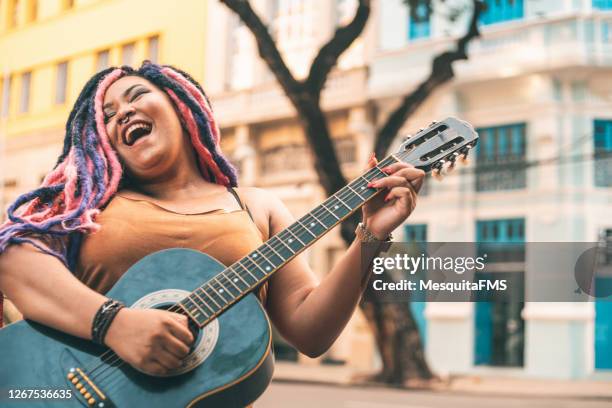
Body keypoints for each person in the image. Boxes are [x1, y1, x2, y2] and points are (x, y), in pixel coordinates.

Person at [0, 62, 424, 377]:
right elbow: (12, 258)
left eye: (135, 96)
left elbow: (311, 333)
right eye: (106, 116)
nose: (122, 114)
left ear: (181, 105)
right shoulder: (84, 201)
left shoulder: (256, 208)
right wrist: (115, 325)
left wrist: (370, 237)